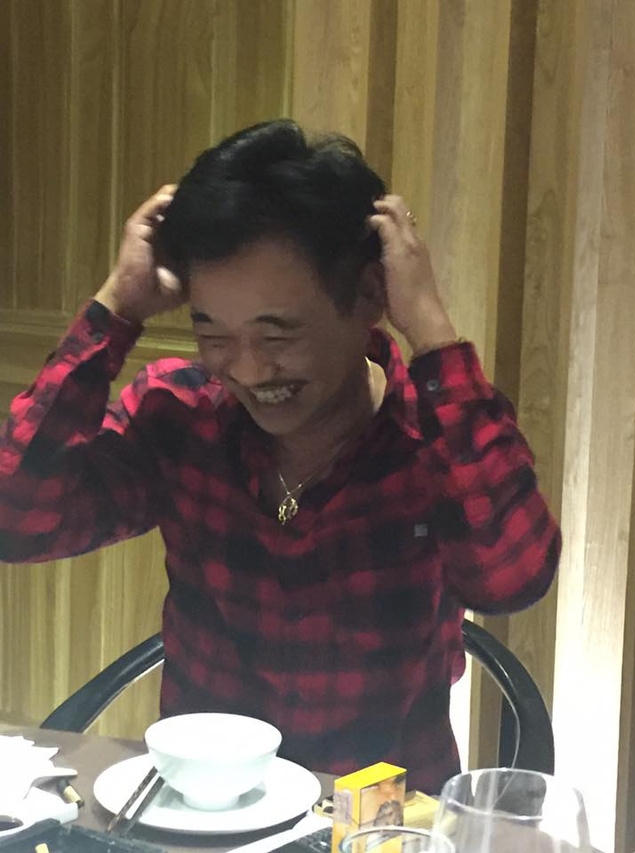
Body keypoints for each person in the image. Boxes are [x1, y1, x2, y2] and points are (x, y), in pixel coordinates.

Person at [0, 119, 560, 792]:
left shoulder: (432, 435)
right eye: (213, 332)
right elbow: (17, 521)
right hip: (205, 807)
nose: (247, 368)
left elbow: (512, 580)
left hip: (378, 814)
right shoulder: (182, 415)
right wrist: (116, 305)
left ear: (369, 297)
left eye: (278, 334)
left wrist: (432, 330)